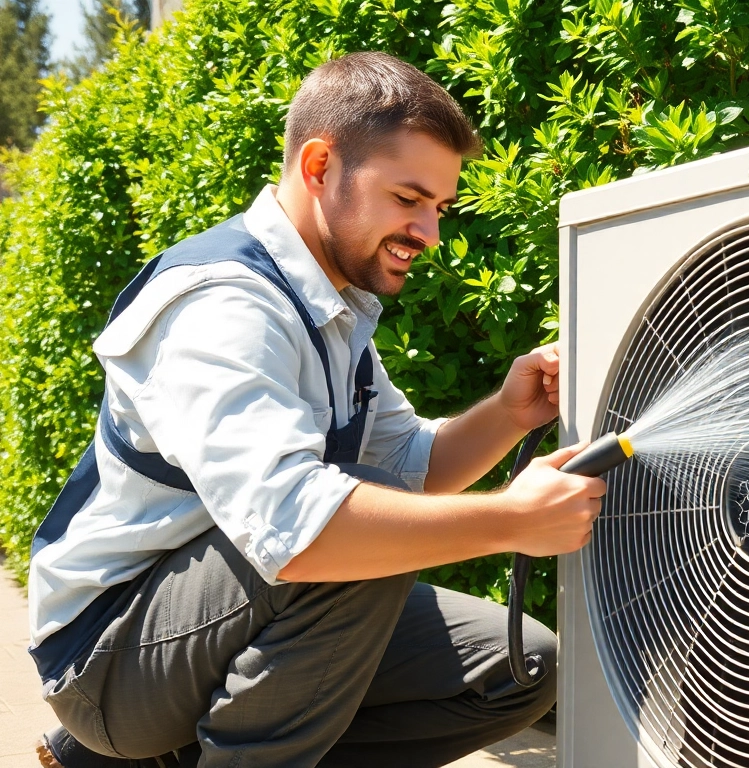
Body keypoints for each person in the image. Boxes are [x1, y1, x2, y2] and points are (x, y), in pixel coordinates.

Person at [27, 51, 604, 768]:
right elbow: (298, 530)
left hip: (209, 621)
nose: (428, 232)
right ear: (320, 165)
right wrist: (513, 520)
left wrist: (511, 413)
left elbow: (411, 466)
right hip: (106, 657)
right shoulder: (225, 305)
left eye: (438, 209)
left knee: (517, 668)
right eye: (408, 198)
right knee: (349, 534)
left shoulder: (328, 310)